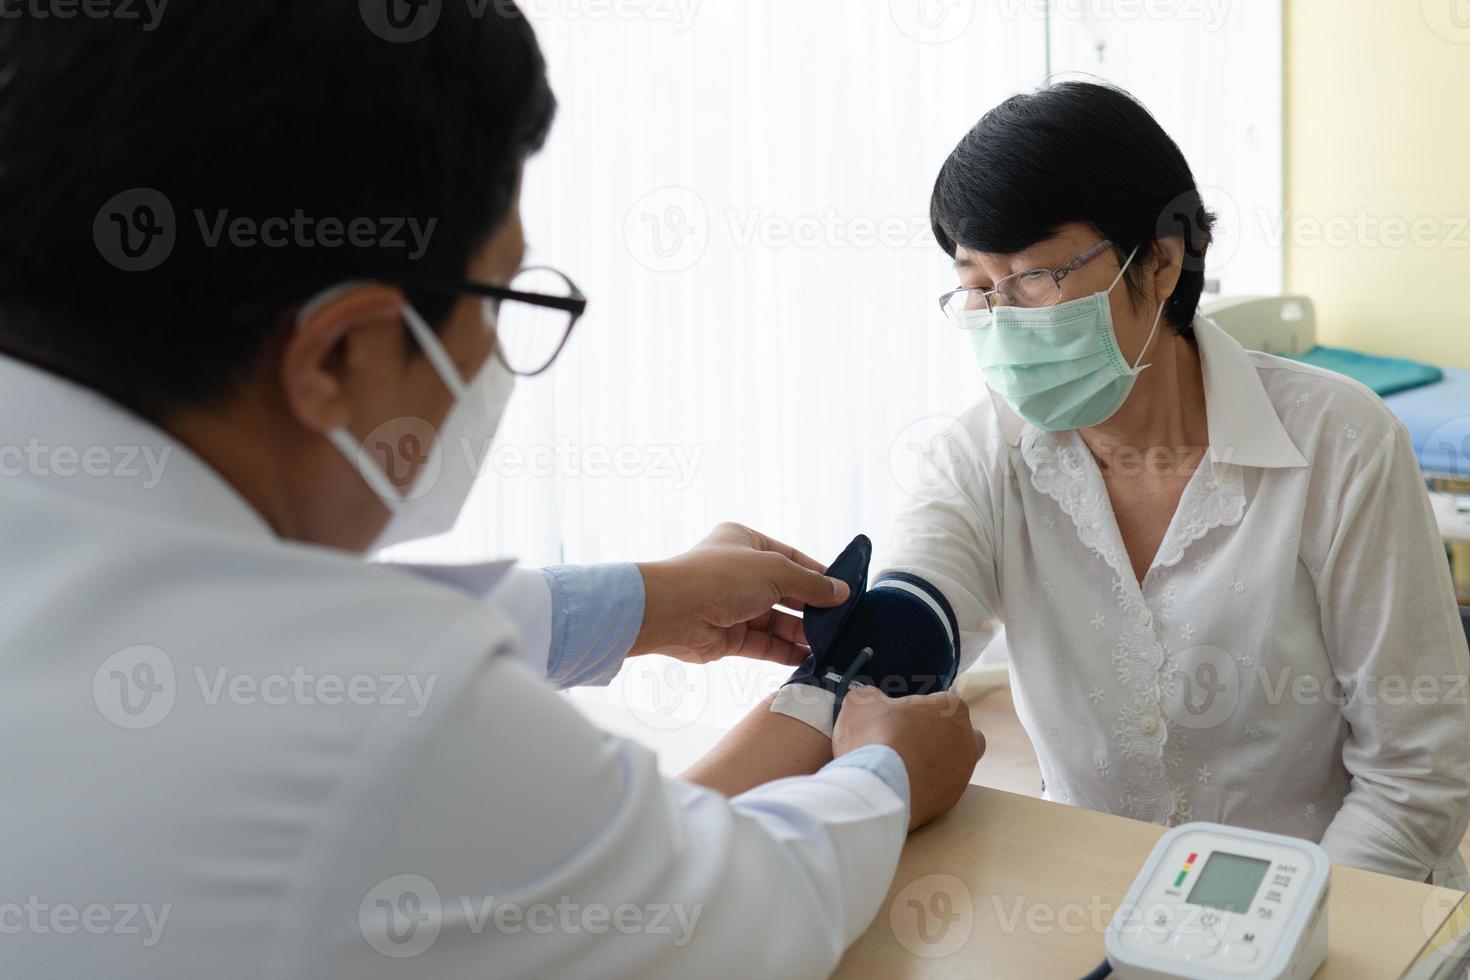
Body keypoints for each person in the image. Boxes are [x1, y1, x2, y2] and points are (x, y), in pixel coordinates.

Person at [0, 6, 982, 978]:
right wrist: (884, 773)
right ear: (341, 353)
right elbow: (743, 914)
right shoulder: (394, 735)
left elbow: (277, 629)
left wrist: (644, 597)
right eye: (506, 298)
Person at [870, 80, 1470, 882]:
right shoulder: (981, 455)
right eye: (978, 286)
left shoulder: (1340, 443)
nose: (1003, 318)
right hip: (1094, 913)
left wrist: (1277, 936)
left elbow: (1418, 772)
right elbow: (909, 620)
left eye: (1036, 278)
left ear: (1158, 260)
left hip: (1338, 915)